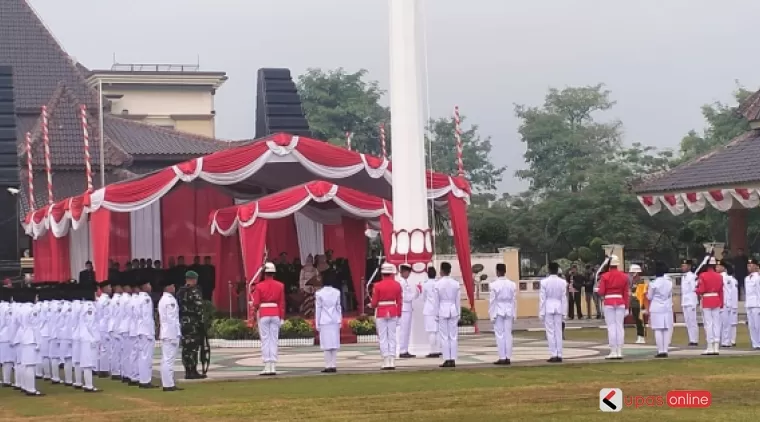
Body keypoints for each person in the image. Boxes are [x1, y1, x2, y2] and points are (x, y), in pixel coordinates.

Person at [252, 263, 286, 376]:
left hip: (264, 313)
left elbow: (256, 303)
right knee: (274, 340)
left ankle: (267, 366)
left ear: (264, 273)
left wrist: (254, 310)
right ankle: (273, 366)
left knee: (265, 340)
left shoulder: (259, 286)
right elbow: (282, 303)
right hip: (276, 313)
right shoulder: (280, 285)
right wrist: (282, 317)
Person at [371, 263, 402, 370]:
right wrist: (399, 313)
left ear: (382, 274)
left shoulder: (377, 285)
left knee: (383, 337)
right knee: (392, 336)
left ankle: (385, 360)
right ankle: (392, 360)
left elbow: (374, 302)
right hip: (393, 310)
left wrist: (371, 305)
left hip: (381, 311)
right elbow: (399, 301)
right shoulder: (397, 285)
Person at [597, 255, 629, 360]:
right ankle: (619, 350)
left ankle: (613, 350)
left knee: (611, 327)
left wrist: (597, 290)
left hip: (609, 301)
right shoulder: (624, 276)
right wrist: (627, 307)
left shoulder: (605, 276)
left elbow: (601, 292)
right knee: (619, 326)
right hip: (620, 301)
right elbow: (626, 293)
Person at [177, 271, 206, 379]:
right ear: (193, 279)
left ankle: (187, 370)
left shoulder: (180, 291)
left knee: (186, 348)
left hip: (183, 322)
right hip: (193, 323)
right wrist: (202, 323)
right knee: (193, 348)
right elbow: (199, 309)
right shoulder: (195, 291)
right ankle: (193, 370)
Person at [489, 263, 517, 365]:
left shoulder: (493, 285)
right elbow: (514, 300)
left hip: (498, 310)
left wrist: (491, 315)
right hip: (509, 310)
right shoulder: (512, 284)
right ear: (505, 271)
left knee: (500, 335)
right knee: (508, 334)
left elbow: (492, 301)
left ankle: (502, 357)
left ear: (497, 272)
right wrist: (514, 313)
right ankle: (508, 357)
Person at [540, 262, 567, 363]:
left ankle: (553, 354)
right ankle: (559, 354)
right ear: (557, 270)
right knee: (558, 332)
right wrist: (565, 312)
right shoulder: (563, 282)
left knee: (550, 332)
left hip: (548, 307)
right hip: (559, 307)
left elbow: (542, 298)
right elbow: (564, 298)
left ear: (549, 270)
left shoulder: (544, 282)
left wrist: (541, 312)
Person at [435, 262, 461, 368]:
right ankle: (453, 359)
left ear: (441, 271)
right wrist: (459, 313)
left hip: (442, 309)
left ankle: (447, 359)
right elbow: (458, 300)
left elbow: (436, 301)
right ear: (449, 271)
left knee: (444, 336)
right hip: (453, 309)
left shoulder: (438, 284)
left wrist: (436, 314)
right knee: (453, 336)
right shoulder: (456, 283)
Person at [158, 278, 182, 391]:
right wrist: (175, 335)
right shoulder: (169, 300)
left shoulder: (164, 299)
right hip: (170, 333)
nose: (174, 287)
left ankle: (168, 382)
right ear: (167, 287)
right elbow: (172, 319)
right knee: (169, 360)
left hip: (166, 332)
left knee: (166, 359)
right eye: (172, 285)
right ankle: (168, 384)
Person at [696, 257, 724, 355]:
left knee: (708, 324)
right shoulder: (719, 276)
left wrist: (696, 289)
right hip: (716, 299)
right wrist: (721, 303)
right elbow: (721, 291)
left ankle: (710, 346)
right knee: (716, 323)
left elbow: (701, 290)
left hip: (707, 300)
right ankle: (716, 346)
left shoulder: (702, 275)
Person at [315, 276, 342, 373]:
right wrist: (340, 320)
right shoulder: (337, 292)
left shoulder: (319, 293)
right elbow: (339, 307)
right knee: (334, 343)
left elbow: (318, 309)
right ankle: (333, 365)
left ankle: (328, 365)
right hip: (334, 319)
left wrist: (317, 322)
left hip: (324, 320)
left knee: (326, 344)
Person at [646, 262, 673, 358]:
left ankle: (660, 350)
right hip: (666, 307)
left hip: (656, 307)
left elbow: (649, 297)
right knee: (666, 329)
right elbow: (670, 295)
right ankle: (665, 350)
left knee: (658, 329)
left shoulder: (653, 283)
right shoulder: (669, 282)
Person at [78, 297, 100, 393]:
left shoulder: (84, 305)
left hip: (85, 337)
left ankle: (88, 384)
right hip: (89, 337)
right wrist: (94, 337)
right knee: (88, 362)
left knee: (87, 362)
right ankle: (88, 385)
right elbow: (90, 324)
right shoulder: (89, 306)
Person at [397, 264, 419, 359]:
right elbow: (406, 297)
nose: (409, 274)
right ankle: (402, 350)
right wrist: (416, 293)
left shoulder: (405, 282)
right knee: (404, 331)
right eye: (408, 272)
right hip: (404, 309)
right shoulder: (401, 282)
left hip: (407, 308)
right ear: (403, 272)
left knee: (406, 331)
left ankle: (405, 349)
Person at [136, 280, 156, 388]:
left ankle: (143, 379)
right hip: (146, 330)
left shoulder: (138, 298)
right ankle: (145, 380)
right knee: (146, 357)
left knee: (142, 356)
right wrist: (149, 333)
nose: (150, 286)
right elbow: (146, 316)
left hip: (140, 329)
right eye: (148, 284)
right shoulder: (146, 299)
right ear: (144, 286)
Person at [422, 267, 441, 358]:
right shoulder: (438, 283)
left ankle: (433, 351)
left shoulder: (425, 284)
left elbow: (424, 297)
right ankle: (437, 350)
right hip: (438, 309)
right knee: (437, 331)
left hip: (429, 309)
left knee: (431, 331)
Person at [679, 259, 699, 346]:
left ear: (689, 266)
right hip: (685, 301)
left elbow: (694, 289)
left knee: (692, 321)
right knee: (687, 321)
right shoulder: (683, 276)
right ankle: (691, 339)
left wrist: (695, 302)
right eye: (682, 266)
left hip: (691, 301)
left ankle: (695, 339)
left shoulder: (692, 276)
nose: (683, 267)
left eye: (685, 265)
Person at [95, 281, 111, 378]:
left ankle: (100, 368)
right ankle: (104, 370)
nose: (110, 289)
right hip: (105, 326)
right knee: (105, 348)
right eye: (109, 287)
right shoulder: (106, 300)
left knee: (101, 348)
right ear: (104, 288)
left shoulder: (100, 300)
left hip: (101, 325)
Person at [720, 264, 738, 348]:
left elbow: (733, 293)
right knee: (723, 323)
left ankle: (727, 341)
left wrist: (734, 306)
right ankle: (725, 340)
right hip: (723, 303)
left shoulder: (730, 279)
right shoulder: (721, 277)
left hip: (728, 303)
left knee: (728, 323)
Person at [629, 264, 646, 344]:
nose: (631, 274)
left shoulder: (640, 281)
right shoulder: (633, 281)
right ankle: (639, 335)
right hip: (633, 303)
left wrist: (632, 293)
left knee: (640, 320)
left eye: (633, 272)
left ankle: (641, 336)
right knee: (636, 320)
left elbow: (641, 293)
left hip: (638, 303)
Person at [745, 258, 760, 350]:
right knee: (751, 325)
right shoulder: (746, 278)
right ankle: (755, 343)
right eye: (748, 265)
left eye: (751, 265)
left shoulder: (758, 277)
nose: (749, 267)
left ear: (756, 266)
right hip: (749, 304)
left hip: (757, 304)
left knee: (758, 325)